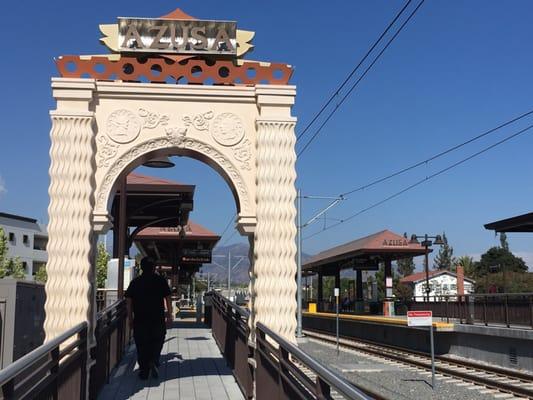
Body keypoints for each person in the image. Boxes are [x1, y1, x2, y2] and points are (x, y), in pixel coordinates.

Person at [125, 257, 172, 380]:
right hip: (158, 318)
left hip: (140, 319)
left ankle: (143, 370)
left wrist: (130, 318)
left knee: (141, 344)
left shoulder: (135, 282)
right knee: (158, 340)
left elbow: (129, 301)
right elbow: (168, 298)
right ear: (154, 267)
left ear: (141, 267)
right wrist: (170, 315)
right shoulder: (160, 281)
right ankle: (154, 359)